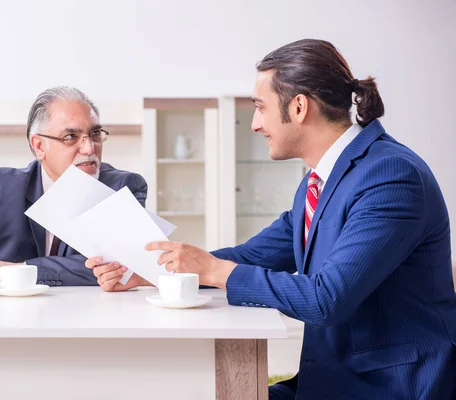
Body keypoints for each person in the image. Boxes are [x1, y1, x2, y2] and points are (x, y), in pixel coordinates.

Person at [87, 39, 456, 399]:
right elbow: (252, 255)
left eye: (260, 108)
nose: (254, 124)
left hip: (390, 386)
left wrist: (214, 271)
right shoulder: (319, 182)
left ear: (299, 108)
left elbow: (326, 299)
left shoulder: (390, 176)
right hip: (333, 378)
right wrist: (155, 273)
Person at [0, 86, 147, 296]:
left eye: (94, 134)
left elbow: (123, 265)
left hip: (91, 328)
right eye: (71, 136)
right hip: (7, 329)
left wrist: (17, 270)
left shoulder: (122, 188)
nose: (88, 148)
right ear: (39, 145)